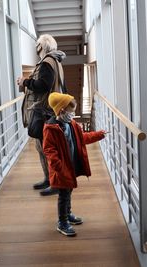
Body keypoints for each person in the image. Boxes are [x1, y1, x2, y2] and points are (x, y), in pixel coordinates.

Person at [42, 92, 106, 236]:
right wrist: (59, 167)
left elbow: (82, 138)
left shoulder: (71, 124)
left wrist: (98, 135)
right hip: (61, 170)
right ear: (62, 110)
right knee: (63, 195)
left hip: (70, 167)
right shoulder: (50, 129)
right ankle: (62, 222)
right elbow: (49, 150)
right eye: (72, 111)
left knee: (68, 192)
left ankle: (68, 214)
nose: (73, 114)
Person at [17, 34, 67, 196]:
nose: (35, 49)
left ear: (41, 47)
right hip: (50, 109)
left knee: (47, 149)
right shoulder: (55, 61)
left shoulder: (46, 63)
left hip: (45, 110)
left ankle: (55, 183)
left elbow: (43, 85)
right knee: (44, 148)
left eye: (37, 46)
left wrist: (25, 82)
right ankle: (49, 179)